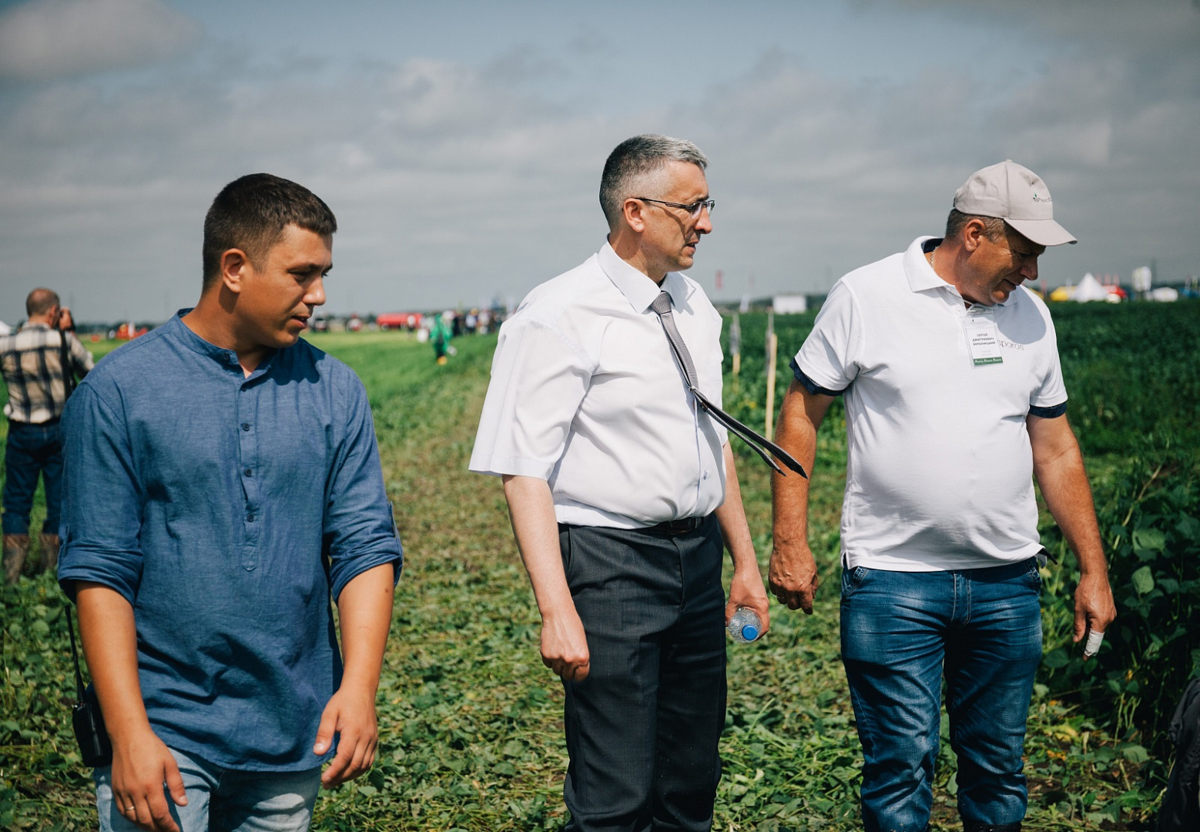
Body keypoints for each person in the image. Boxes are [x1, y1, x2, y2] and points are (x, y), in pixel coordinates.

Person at [769, 160, 1117, 832]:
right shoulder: (866, 296)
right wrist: (789, 542)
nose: (1033, 271)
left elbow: (1057, 447)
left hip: (1007, 584)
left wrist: (1093, 569)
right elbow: (799, 417)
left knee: (998, 771)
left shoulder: (1032, 318)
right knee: (900, 771)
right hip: (892, 580)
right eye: (1025, 252)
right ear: (975, 235)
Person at [57, 173, 403, 832]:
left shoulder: (336, 390)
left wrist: (358, 689)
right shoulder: (118, 392)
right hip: (164, 731)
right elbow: (100, 570)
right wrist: (128, 733)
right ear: (235, 268)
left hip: (293, 731)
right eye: (302, 274)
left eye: (324, 274)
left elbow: (363, 547)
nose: (320, 296)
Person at [470, 134, 774, 832]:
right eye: (692, 206)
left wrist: (745, 563)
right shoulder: (557, 313)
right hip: (611, 564)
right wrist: (556, 609)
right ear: (635, 211)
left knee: (690, 776)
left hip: (696, 561)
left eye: (709, 203)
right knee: (616, 790)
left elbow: (713, 442)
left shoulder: (695, 305)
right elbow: (524, 474)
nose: (707, 221)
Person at [2, 288, 93, 583]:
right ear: (54, 312)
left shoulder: (7, 343)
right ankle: (50, 573)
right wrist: (70, 332)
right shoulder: (64, 342)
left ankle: (12, 577)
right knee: (57, 501)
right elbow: (90, 375)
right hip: (57, 430)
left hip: (21, 430)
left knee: (16, 502)